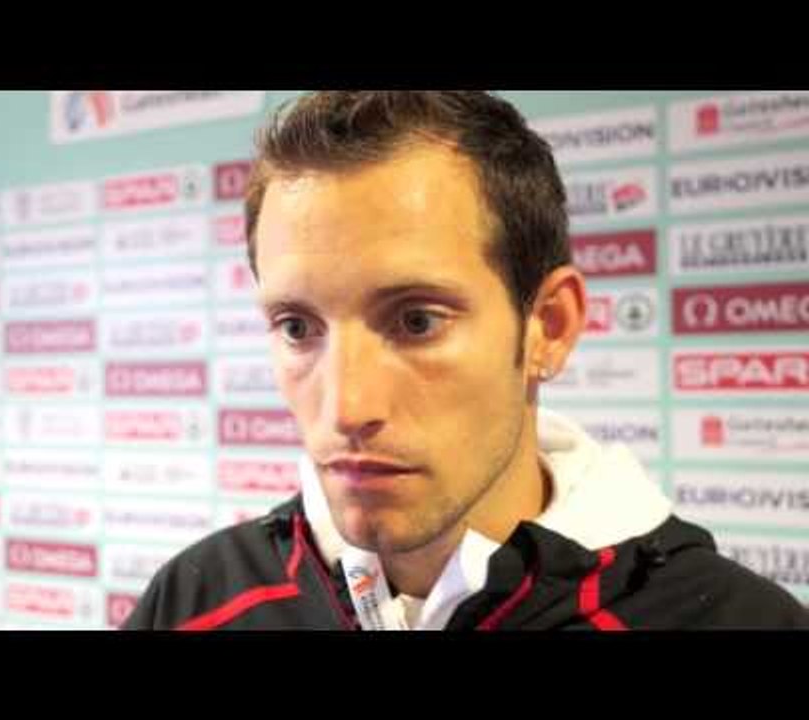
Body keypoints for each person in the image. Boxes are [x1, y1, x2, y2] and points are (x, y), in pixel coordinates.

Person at [123, 91, 809, 630]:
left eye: (417, 321)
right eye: (298, 326)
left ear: (548, 326)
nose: (346, 408)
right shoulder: (193, 598)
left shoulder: (737, 618)